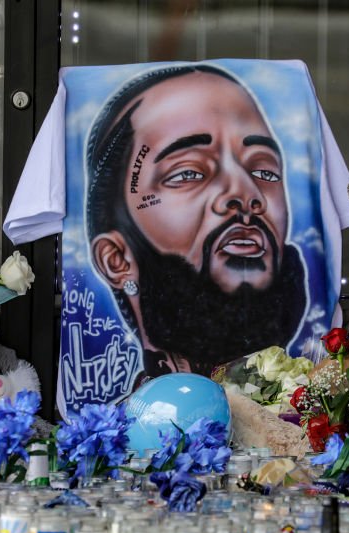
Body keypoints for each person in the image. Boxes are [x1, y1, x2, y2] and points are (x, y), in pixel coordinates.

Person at [85, 64, 307, 381]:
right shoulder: (114, 431)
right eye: (188, 173)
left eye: (264, 171)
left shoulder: (319, 420)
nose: (247, 193)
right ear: (117, 259)